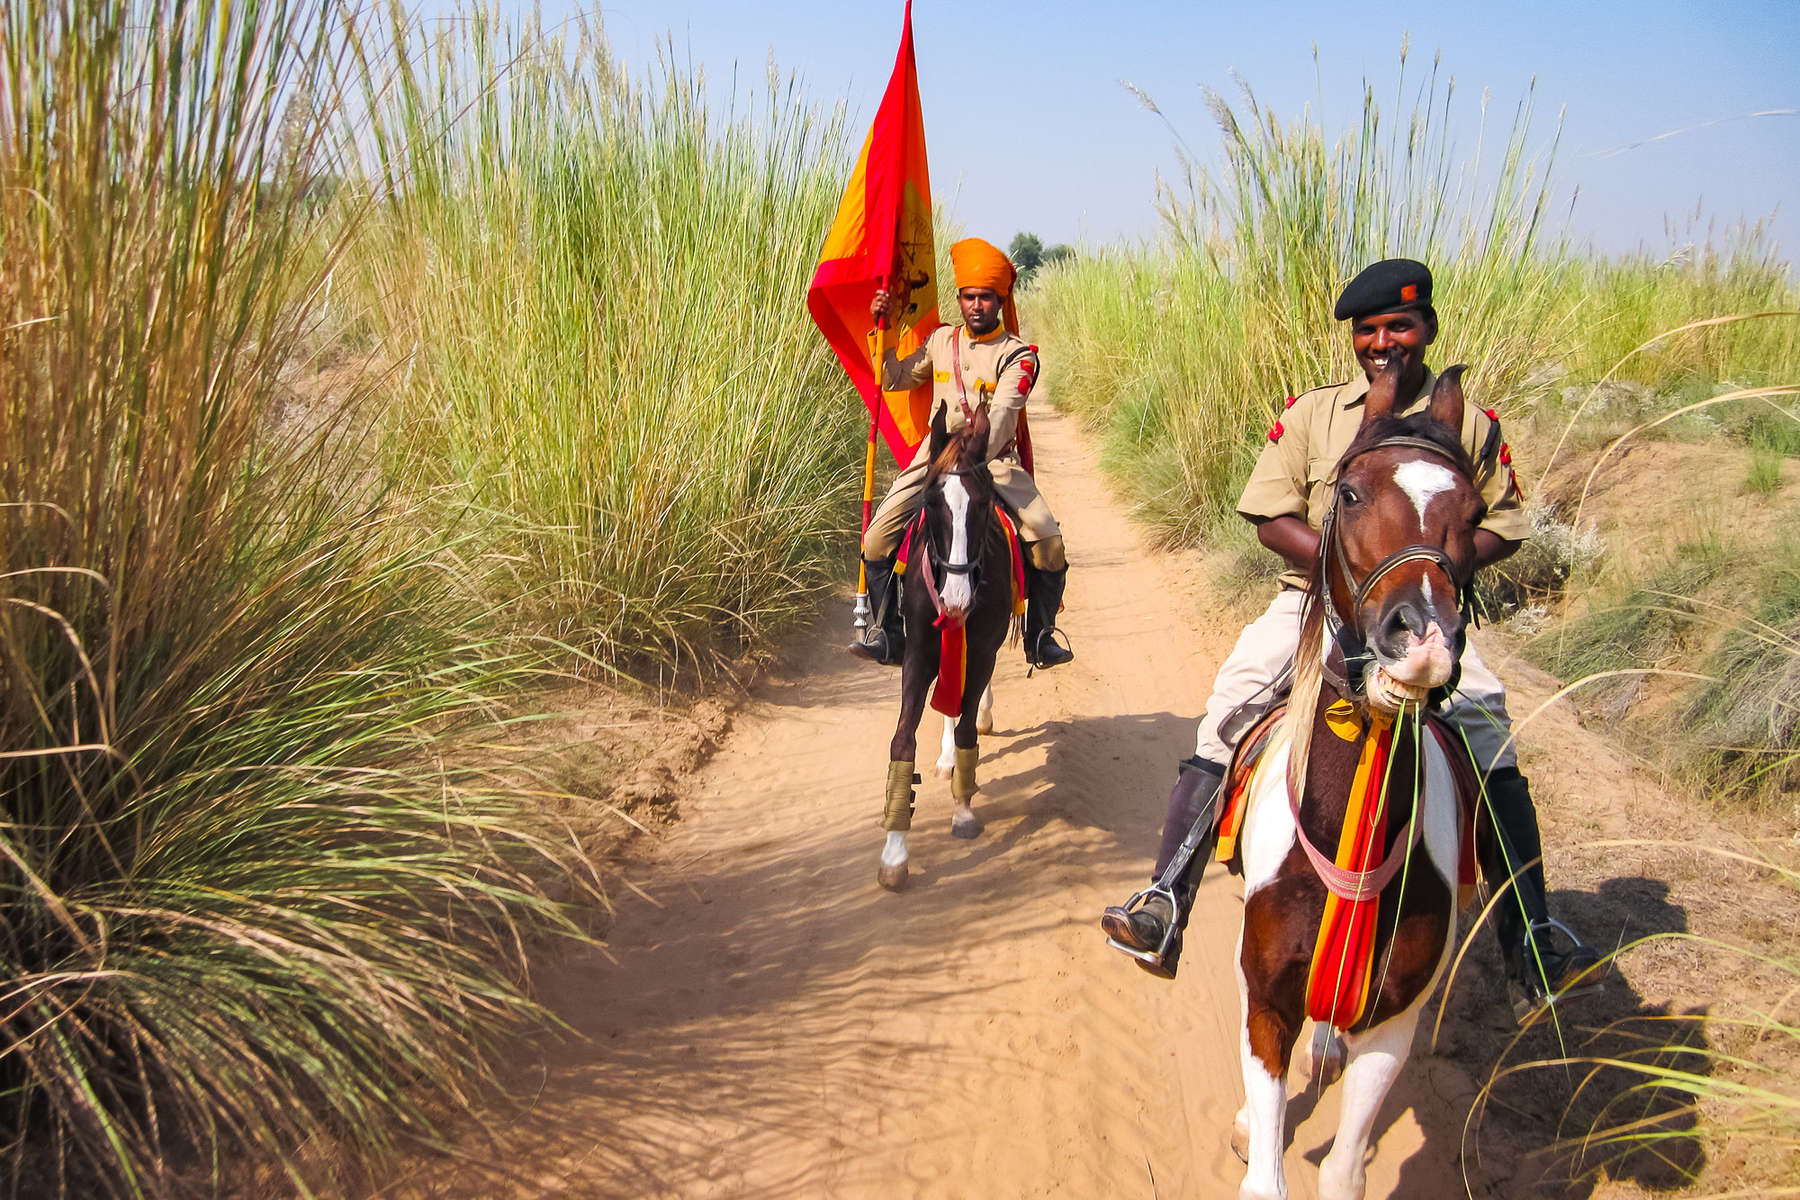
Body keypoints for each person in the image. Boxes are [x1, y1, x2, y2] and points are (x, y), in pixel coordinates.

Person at [1100, 258, 1600, 1017]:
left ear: (1428, 328)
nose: (1383, 342)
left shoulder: (1469, 424)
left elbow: (1504, 524)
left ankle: (1530, 934)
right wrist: (1348, 576)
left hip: (1422, 612)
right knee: (1232, 704)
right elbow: (1271, 519)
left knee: (1488, 721)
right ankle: (1167, 897)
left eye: (1399, 325)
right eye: (1368, 330)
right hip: (1316, 603)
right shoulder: (1311, 415)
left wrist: (1433, 574)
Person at [850, 237, 1073, 669]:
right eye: (969, 297)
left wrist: (970, 460)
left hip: (993, 463)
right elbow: (893, 378)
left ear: (1001, 299)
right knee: (876, 539)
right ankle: (888, 633)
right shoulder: (939, 342)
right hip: (932, 461)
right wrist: (884, 327)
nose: (976, 306)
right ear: (960, 298)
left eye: (986, 298)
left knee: (1049, 544)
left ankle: (1039, 636)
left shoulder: (1019, 356)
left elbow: (1005, 415)